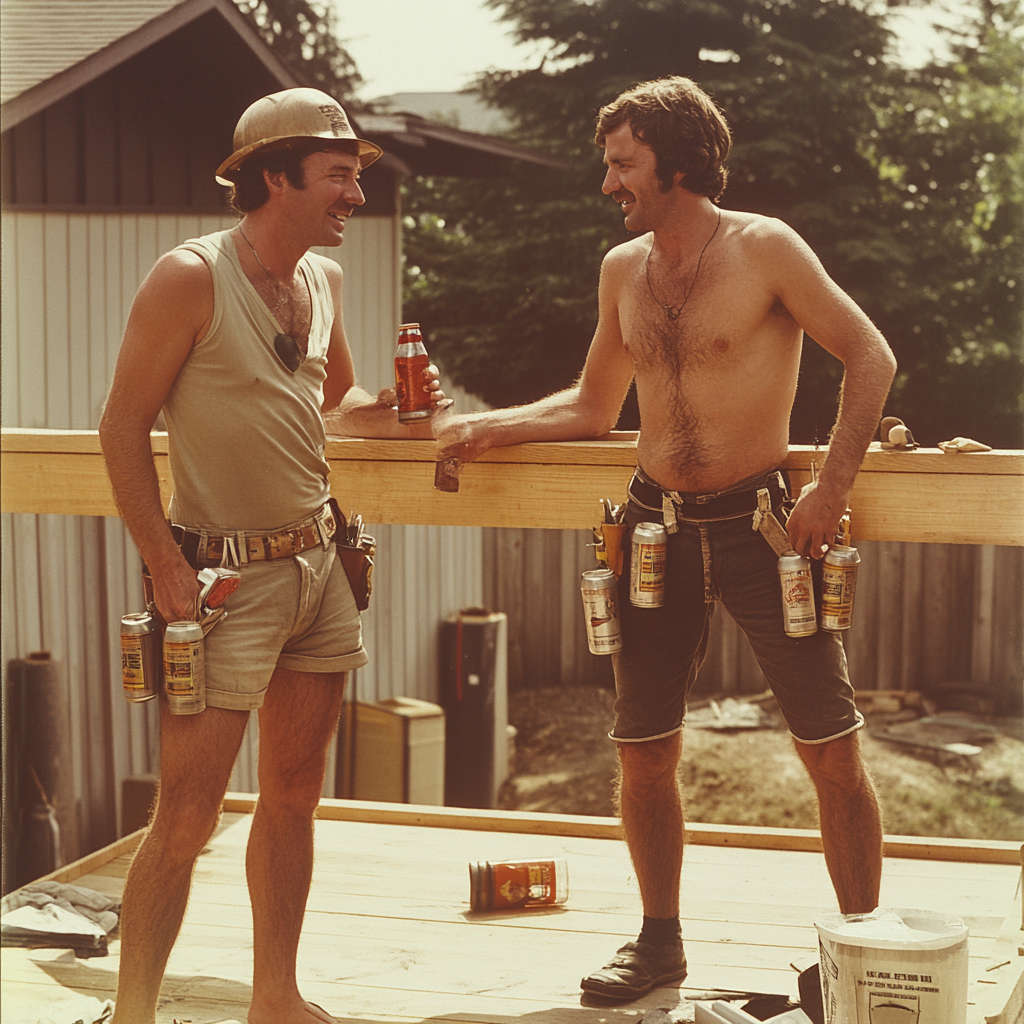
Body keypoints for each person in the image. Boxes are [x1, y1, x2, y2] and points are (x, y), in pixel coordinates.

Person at [434, 76, 896, 1001]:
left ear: (678, 163)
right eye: (610, 164)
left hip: (766, 524)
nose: (609, 183)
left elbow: (870, 355)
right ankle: (658, 944)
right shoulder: (623, 270)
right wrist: (493, 427)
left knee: (829, 746)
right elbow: (595, 403)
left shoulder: (765, 249)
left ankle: (858, 953)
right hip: (655, 527)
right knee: (643, 747)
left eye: (623, 164)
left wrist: (830, 489)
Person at [98, 87, 446, 1024]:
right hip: (218, 581)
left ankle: (274, 998)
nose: (354, 195)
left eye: (353, 177)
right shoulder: (190, 278)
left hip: (320, 569)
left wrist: (409, 409)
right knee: (187, 816)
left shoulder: (325, 283)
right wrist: (163, 565)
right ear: (273, 176)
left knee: (294, 795)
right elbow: (121, 425)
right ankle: (131, 1011)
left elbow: (336, 401)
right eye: (338, 176)